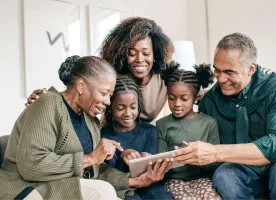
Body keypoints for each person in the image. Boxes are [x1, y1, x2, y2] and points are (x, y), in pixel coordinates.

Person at [0, 55, 172, 200]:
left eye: (110, 95)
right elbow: (32, 166)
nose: (107, 101)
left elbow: (95, 172)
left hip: (67, 187)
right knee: (102, 191)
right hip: (27, 188)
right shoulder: (48, 103)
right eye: (104, 93)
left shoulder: (91, 121)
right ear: (81, 86)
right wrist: (90, 158)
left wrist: (135, 181)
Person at [172, 33, 276, 199]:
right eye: (217, 70)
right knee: (225, 175)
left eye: (229, 72)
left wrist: (215, 152)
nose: (221, 79)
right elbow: (202, 142)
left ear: (251, 69)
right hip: (246, 167)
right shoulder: (210, 100)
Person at [26, 17, 175, 122]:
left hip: (149, 140)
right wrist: (47, 97)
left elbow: (193, 92)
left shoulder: (166, 76)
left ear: (156, 53)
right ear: (123, 53)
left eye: (146, 53)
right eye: (131, 53)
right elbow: (79, 91)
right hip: (113, 138)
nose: (139, 59)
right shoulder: (113, 76)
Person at [101, 77, 174, 200]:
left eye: (133, 107)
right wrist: (122, 155)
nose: (128, 113)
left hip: (150, 185)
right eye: (120, 108)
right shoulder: (104, 136)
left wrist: (148, 158)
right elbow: (108, 172)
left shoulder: (150, 131)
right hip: (124, 187)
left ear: (138, 106)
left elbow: (156, 164)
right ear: (110, 108)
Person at [157, 62, 221, 200]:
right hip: (174, 181)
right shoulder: (162, 124)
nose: (177, 104)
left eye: (184, 99)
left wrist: (195, 157)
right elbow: (160, 160)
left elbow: (215, 162)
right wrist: (173, 159)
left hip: (203, 178)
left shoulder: (209, 123)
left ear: (196, 97)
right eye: (171, 98)